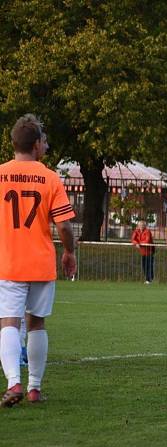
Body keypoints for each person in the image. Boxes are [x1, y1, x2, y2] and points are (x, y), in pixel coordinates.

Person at [0, 113, 77, 406]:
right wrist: (69, 252)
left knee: (8, 323)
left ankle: (13, 383)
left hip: (8, 262)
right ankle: (34, 388)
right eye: (44, 140)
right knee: (36, 324)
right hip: (41, 262)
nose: (46, 145)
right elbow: (65, 225)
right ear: (34, 144)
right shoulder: (49, 177)